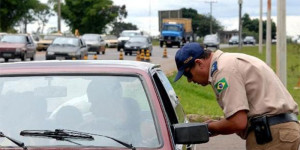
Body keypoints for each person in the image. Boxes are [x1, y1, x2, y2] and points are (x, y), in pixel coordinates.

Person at [174, 42, 300, 150]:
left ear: (199, 63)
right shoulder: (229, 61)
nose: (190, 81)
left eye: (188, 74)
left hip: (270, 135)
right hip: (280, 131)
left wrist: (208, 127)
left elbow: (238, 122)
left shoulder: (223, 71)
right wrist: (219, 124)